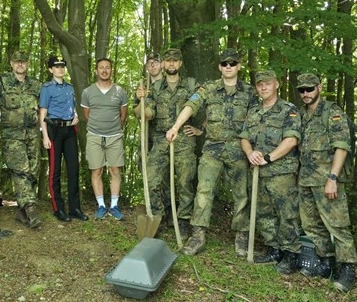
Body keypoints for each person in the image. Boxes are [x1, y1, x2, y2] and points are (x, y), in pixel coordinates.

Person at [166, 48, 255, 255]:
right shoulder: (209, 88)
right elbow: (191, 106)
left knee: (242, 194)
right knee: (203, 192)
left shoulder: (250, 92)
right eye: (224, 63)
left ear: (239, 66)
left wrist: (254, 149)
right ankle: (198, 236)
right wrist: (175, 127)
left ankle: (242, 237)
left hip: (238, 149)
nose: (228, 67)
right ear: (219, 67)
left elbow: (257, 120)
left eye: (233, 63)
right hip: (213, 149)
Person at [296, 72, 357, 292]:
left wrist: (333, 178)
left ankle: (348, 269)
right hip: (306, 179)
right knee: (311, 224)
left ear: (319, 88)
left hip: (327, 179)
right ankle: (326, 262)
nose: (305, 93)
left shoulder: (332, 113)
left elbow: (342, 146)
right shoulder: (301, 115)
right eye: (301, 90)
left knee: (338, 226)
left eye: (309, 89)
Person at [239, 70, 302, 274]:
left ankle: (290, 254)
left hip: (281, 173)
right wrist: (250, 153)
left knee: (286, 214)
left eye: (267, 83)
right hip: (258, 172)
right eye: (259, 85)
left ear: (277, 84)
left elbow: (291, 140)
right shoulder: (253, 112)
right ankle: (274, 249)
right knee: (264, 213)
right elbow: (244, 137)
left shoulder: (288, 110)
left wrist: (268, 158)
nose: (263, 87)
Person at [135, 48, 200, 235]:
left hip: (184, 140)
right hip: (161, 139)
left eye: (175, 61)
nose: (171, 64)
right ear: (164, 64)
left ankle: (184, 220)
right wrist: (141, 102)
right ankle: (158, 218)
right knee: (151, 179)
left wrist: (200, 129)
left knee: (185, 182)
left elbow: (208, 107)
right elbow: (145, 115)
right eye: (168, 61)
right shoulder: (155, 88)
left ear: (180, 63)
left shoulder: (191, 85)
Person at [0, 51, 43, 229]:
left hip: (33, 134)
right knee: (21, 170)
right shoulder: (1, 82)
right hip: (12, 136)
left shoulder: (35, 84)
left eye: (23, 62)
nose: (20, 65)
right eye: (17, 62)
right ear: (11, 64)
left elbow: (45, 106)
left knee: (34, 171)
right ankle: (30, 209)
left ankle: (21, 213)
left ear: (27, 64)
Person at [39, 55, 87, 222]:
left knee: (73, 169)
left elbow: (72, 107)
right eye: (57, 66)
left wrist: (76, 116)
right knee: (55, 172)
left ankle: (75, 208)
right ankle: (58, 208)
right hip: (54, 132)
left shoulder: (70, 87)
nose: (60, 69)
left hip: (70, 131)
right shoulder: (47, 88)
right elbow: (43, 113)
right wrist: (45, 136)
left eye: (62, 66)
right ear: (51, 69)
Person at [81, 58, 128, 220]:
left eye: (107, 67)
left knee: (115, 170)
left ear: (111, 70)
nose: (104, 70)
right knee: (96, 170)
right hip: (94, 135)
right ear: (96, 71)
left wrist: (113, 127)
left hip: (114, 136)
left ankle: (114, 206)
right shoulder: (88, 92)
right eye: (101, 68)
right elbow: (86, 115)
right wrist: (98, 127)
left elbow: (123, 114)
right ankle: (101, 205)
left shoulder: (120, 91)